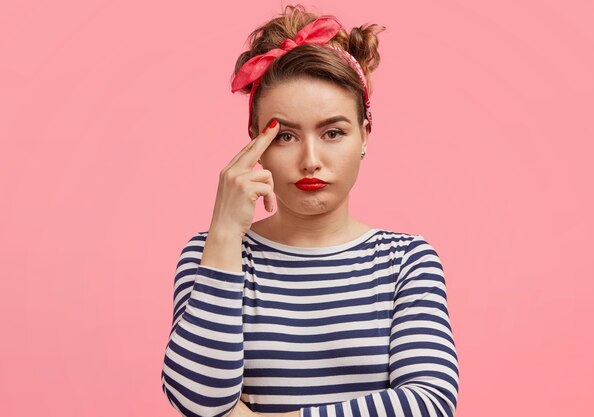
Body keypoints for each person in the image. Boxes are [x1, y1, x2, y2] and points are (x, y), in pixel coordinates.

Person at [161, 4, 459, 417]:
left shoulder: (406, 262)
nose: (310, 159)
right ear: (254, 143)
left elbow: (429, 403)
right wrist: (226, 232)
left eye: (333, 132)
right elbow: (198, 402)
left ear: (365, 135)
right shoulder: (211, 253)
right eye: (284, 136)